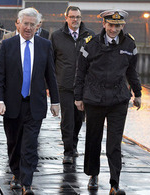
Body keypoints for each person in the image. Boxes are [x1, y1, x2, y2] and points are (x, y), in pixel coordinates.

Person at [74, 9, 142, 195]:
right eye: (111, 25)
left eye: (118, 26)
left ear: (123, 26)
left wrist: (138, 93)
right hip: (94, 100)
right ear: (103, 24)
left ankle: (114, 183)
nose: (114, 29)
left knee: (114, 144)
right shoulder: (90, 44)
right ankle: (93, 174)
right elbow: (80, 73)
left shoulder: (129, 43)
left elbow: (132, 71)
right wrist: (78, 97)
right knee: (93, 139)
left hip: (118, 101)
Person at [0, 7, 59, 195]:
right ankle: (16, 172)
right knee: (14, 144)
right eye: (25, 24)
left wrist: (55, 101)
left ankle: (27, 183)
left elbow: (51, 76)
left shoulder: (45, 45)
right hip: (12, 105)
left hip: (35, 104)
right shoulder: (8, 45)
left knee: (30, 144)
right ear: (18, 24)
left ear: (38, 26)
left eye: (32, 24)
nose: (28, 28)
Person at [50, 6, 95, 164]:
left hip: (83, 86)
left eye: (78, 17)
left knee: (78, 119)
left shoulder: (90, 36)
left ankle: (73, 144)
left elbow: (94, 61)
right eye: (72, 17)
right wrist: (50, 84)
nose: (75, 20)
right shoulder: (56, 36)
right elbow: (51, 61)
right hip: (65, 85)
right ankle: (68, 151)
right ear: (66, 18)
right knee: (67, 119)